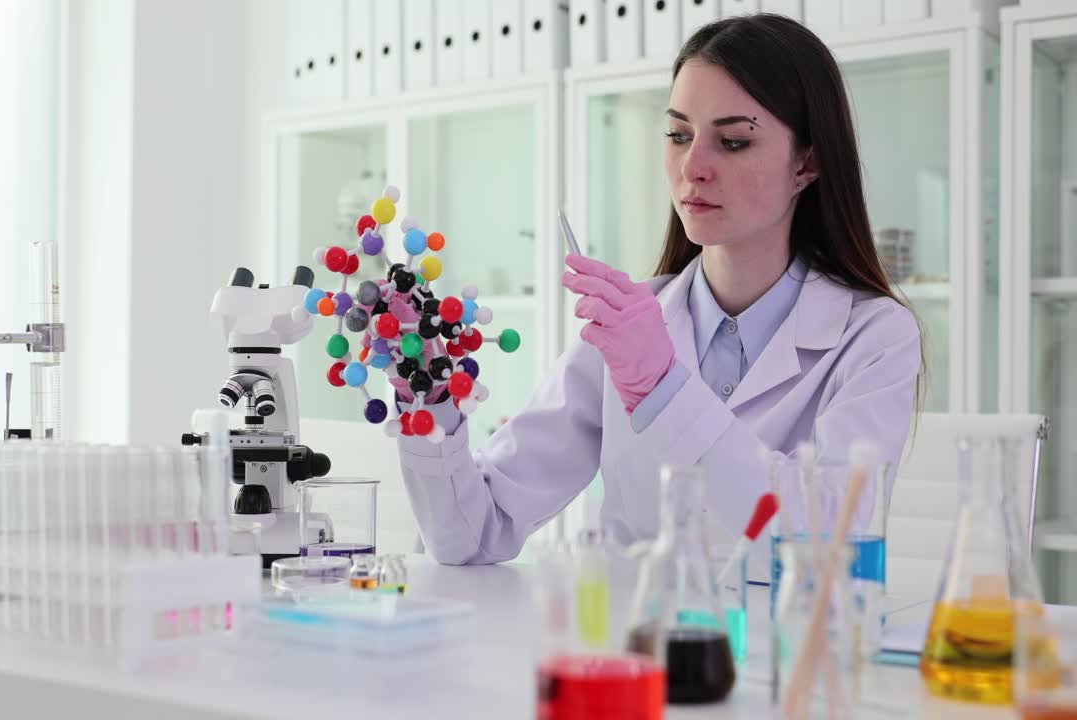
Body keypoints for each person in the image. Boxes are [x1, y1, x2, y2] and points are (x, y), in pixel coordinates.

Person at [394, 14, 922, 565]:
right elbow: (473, 536)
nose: (692, 167)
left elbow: (829, 542)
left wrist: (663, 388)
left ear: (807, 164)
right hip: (638, 645)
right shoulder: (631, 326)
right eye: (677, 135)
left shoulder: (875, 336)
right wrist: (429, 406)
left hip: (788, 649)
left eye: (734, 141)